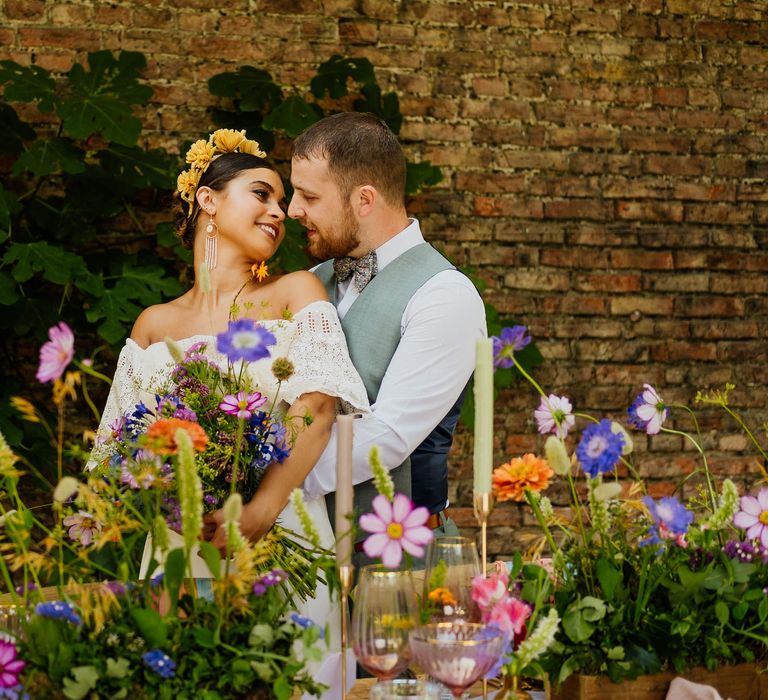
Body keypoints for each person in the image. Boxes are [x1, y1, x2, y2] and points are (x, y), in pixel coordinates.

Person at [90, 129, 366, 699]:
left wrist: (262, 507)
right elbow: (119, 457)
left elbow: (316, 404)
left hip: (279, 531)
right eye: (261, 194)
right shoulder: (152, 326)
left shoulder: (296, 294)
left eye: (282, 202)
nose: (279, 212)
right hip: (178, 544)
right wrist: (164, 503)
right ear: (207, 201)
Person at [287, 112, 486, 552]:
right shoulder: (310, 282)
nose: (292, 210)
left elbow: (388, 435)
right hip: (304, 554)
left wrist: (264, 475)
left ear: (364, 200)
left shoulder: (445, 294)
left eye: (309, 196)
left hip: (398, 564)